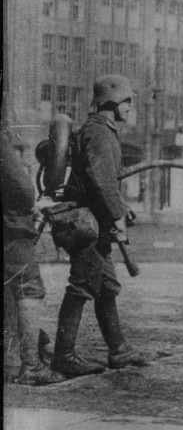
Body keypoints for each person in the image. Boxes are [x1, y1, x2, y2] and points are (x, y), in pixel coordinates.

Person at [52, 74, 149, 378]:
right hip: (88, 225)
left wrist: (121, 208)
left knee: (106, 286)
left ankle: (118, 349)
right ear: (114, 101)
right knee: (81, 286)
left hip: (93, 221)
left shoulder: (99, 130)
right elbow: (100, 180)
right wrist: (117, 214)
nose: (130, 109)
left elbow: (103, 182)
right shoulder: (100, 133)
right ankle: (64, 356)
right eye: (128, 102)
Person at [1, 122, 64, 385]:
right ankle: (32, 367)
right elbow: (19, 185)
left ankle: (10, 362)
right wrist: (34, 204)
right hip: (11, 226)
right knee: (28, 287)